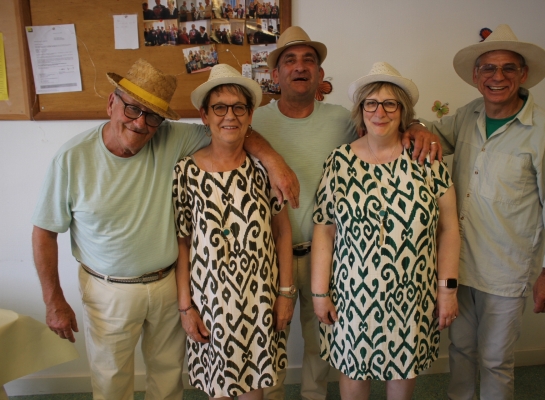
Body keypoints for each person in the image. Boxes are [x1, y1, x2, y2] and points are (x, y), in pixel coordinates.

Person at [31, 59, 299, 400]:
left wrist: (273, 161)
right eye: (131, 109)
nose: (140, 123)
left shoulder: (174, 138)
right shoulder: (72, 158)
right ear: (111, 104)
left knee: (168, 379)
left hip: (165, 285)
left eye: (152, 116)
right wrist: (53, 299)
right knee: (111, 381)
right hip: (109, 291)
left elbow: (233, 131)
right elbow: (44, 232)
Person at [252, 27, 440, 400]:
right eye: (289, 60)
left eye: (309, 60)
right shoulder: (255, 122)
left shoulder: (342, 119)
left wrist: (416, 125)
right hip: (272, 257)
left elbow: (384, 129)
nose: (300, 67)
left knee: (322, 349)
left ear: (321, 75)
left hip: (331, 258)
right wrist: (270, 155)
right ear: (274, 75)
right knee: (269, 348)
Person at [412, 24, 545, 399]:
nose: (497, 77)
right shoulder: (469, 114)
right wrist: (414, 124)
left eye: (508, 68)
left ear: (523, 75)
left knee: (494, 360)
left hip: (506, 269)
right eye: (488, 68)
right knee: (460, 350)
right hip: (458, 264)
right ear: (476, 76)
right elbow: (430, 135)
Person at [311, 61, 460, 400]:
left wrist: (447, 290)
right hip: (352, 294)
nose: (380, 112)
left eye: (390, 103)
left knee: (403, 372)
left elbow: (449, 228)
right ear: (360, 110)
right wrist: (320, 293)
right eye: (371, 103)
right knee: (352, 370)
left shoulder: (427, 160)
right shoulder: (339, 162)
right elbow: (324, 228)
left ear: (403, 111)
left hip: (413, 293)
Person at [173, 64, 294, 400]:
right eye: (220, 107)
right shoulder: (186, 171)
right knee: (220, 390)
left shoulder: (265, 169)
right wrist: (186, 306)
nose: (230, 116)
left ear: (250, 114)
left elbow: (282, 233)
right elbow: (182, 242)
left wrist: (286, 294)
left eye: (239, 107)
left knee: (254, 392)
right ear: (204, 115)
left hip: (259, 301)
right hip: (209, 301)